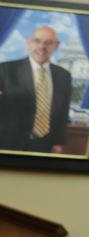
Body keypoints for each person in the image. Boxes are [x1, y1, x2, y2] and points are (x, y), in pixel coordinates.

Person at [0, 26, 72, 154]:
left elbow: (63, 113)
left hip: (45, 145)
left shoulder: (64, 76)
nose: (42, 47)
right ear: (29, 43)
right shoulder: (5, 70)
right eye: (37, 41)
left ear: (57, 46)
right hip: (7, 143)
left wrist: (58, 143)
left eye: (48, 43)